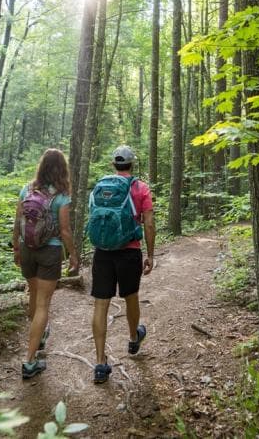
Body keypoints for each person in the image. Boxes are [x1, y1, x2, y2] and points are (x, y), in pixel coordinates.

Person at [89, 145, 156, 384]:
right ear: (132, 164)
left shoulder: (100, 186)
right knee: (131, 297)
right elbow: (148, 223)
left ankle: (99, 363)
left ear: (113, 165)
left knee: (100, 305)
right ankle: (132, 338)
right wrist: (150, 254)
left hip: (102, 252)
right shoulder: (140, 187)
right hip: (129, 251)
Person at [12, 148, 79, 379]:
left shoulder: (27, 189)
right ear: (62, 169)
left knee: (33, 295)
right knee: (43, 305)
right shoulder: (61, 195)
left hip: (28, 249)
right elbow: (65, 230)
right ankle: (30, 361)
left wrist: (17, 248)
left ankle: (37, 336)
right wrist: (73, 255)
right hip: (49, 251)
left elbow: (17, 221)